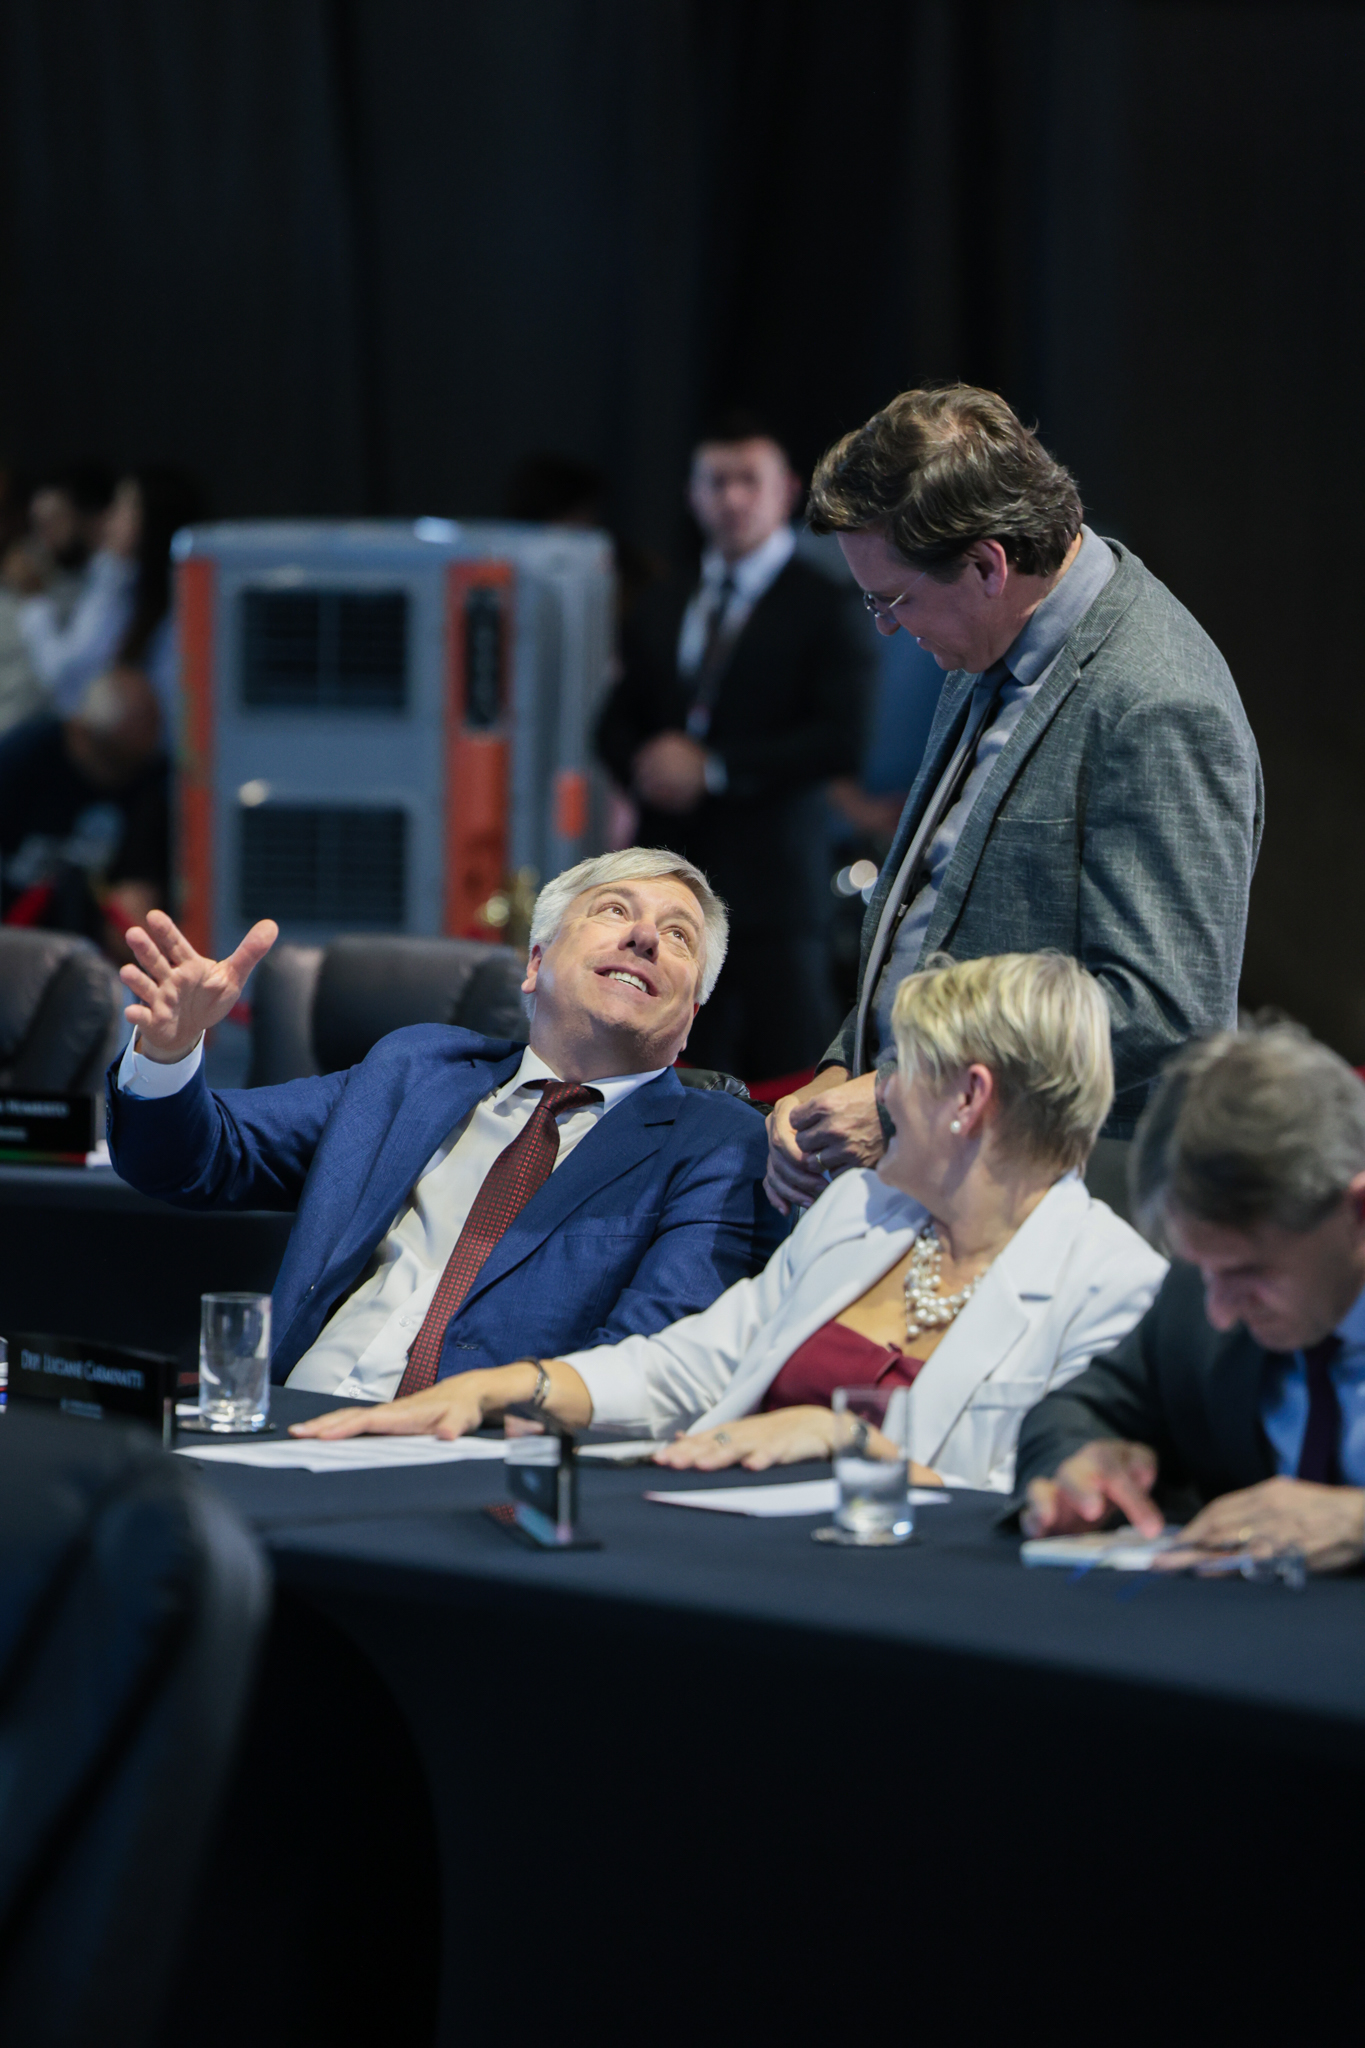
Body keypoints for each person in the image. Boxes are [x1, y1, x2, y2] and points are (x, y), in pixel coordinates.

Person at [295, 952, 1167, 1494]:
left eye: (900, 1066)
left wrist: (848, 1441)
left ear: (968, 1099)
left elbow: (1045, 1501)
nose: (878, 1092)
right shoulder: (859, 1212)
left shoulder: (1117, 1288)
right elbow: (686, 1366)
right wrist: (502, 1387)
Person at [764, 383, 1263, 1215]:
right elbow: (931, 911)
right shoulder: (993, 634)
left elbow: (1165, 1013)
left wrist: (902, 1098)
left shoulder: (1159, 702)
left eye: (891, 600)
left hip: (1057, 1202)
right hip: (932, 1167)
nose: (884, 627)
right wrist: (840, 1066)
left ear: (987, 565)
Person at [108, 849, 786, 1397]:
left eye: (678, 936)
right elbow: (197, 1159)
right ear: (536, 962)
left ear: (690, 1016)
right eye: (614, 910)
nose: (645, 937)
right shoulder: (416, 1070)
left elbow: (652, 1359)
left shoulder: (717, 1146)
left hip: (478, 1468)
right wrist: (169, 1054)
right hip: (292, 1424)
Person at [1017, 1022, 1365, 1573]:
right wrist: (1086, 1467)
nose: (1220, 1312)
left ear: (1358, 1213)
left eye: (1249, 1271)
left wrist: (1358, 1521)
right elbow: (1074, 1413)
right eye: (1206, 1270)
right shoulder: (1194, 1295)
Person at [595, 412, 877, 1085]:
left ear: (786, 490)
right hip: (671, 886)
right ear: (692, 494)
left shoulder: (828, 603)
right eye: (715, 482)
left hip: (776, 893)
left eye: (748, 480)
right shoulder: (663, 601)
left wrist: (715, 769)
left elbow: (841, 740)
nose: (732, 498)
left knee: (790, 1076)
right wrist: (648, 768)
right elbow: (611, 723)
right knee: (666, 1071)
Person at [0, 665, 168, 962]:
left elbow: (143, 878)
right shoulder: (22, 759)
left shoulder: (152, 782)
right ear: (79, 730)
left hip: (92, 948)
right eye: (110, 759)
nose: (117, 778)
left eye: (132, 764)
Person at [19, 466, 200, 727]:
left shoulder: (183, 606)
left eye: (120, 509)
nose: (108, 519)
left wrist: (34, 601)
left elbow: (65, 673)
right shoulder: (118, 578)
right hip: (104, 732)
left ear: (150, 522)